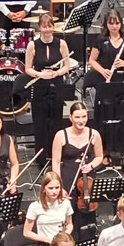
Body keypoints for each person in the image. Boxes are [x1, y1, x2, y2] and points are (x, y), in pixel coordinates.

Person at [24, 12, 76, 152]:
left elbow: (67, 66)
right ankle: (41, 156)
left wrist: (56, 73)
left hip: (56, 85)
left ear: (53, 27)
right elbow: (27, 68)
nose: (47, 30)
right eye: (44, 27)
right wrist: (40, 74)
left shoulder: (61, 43)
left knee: (56, 121)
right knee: (40, 123)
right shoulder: (32, 45)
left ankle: (56, 154)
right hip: (40, 85)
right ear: (39, 27)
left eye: (49, 26)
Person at [52, 102, 105, 225]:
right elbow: (55, 162)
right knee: (69, 213)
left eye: (84, 117)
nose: (81, 121)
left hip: (87, 177)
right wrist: (59, 185)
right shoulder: (61, 135)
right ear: (70, 117)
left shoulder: (94, 134)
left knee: (87, 215)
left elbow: (99, 156)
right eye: (77, 117)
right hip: (67, 177)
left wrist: (90, 165)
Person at [21, 170, 72, 246]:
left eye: (57, 188)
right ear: (44, 189)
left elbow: (69, 224)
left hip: (61, 245)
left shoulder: (65, 203)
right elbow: (26, 232)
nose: (54, 191)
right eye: (50, 188)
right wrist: (48, 240)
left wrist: (65, 235)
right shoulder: (35, 206)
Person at [86, 7, 124, 87]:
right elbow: (92, 60)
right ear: (106, 24)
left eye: (117, 23)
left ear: (121, 23)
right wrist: (102, 70)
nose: (114, 26)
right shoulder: (100, 39)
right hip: (105, 78)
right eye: (111, 23)